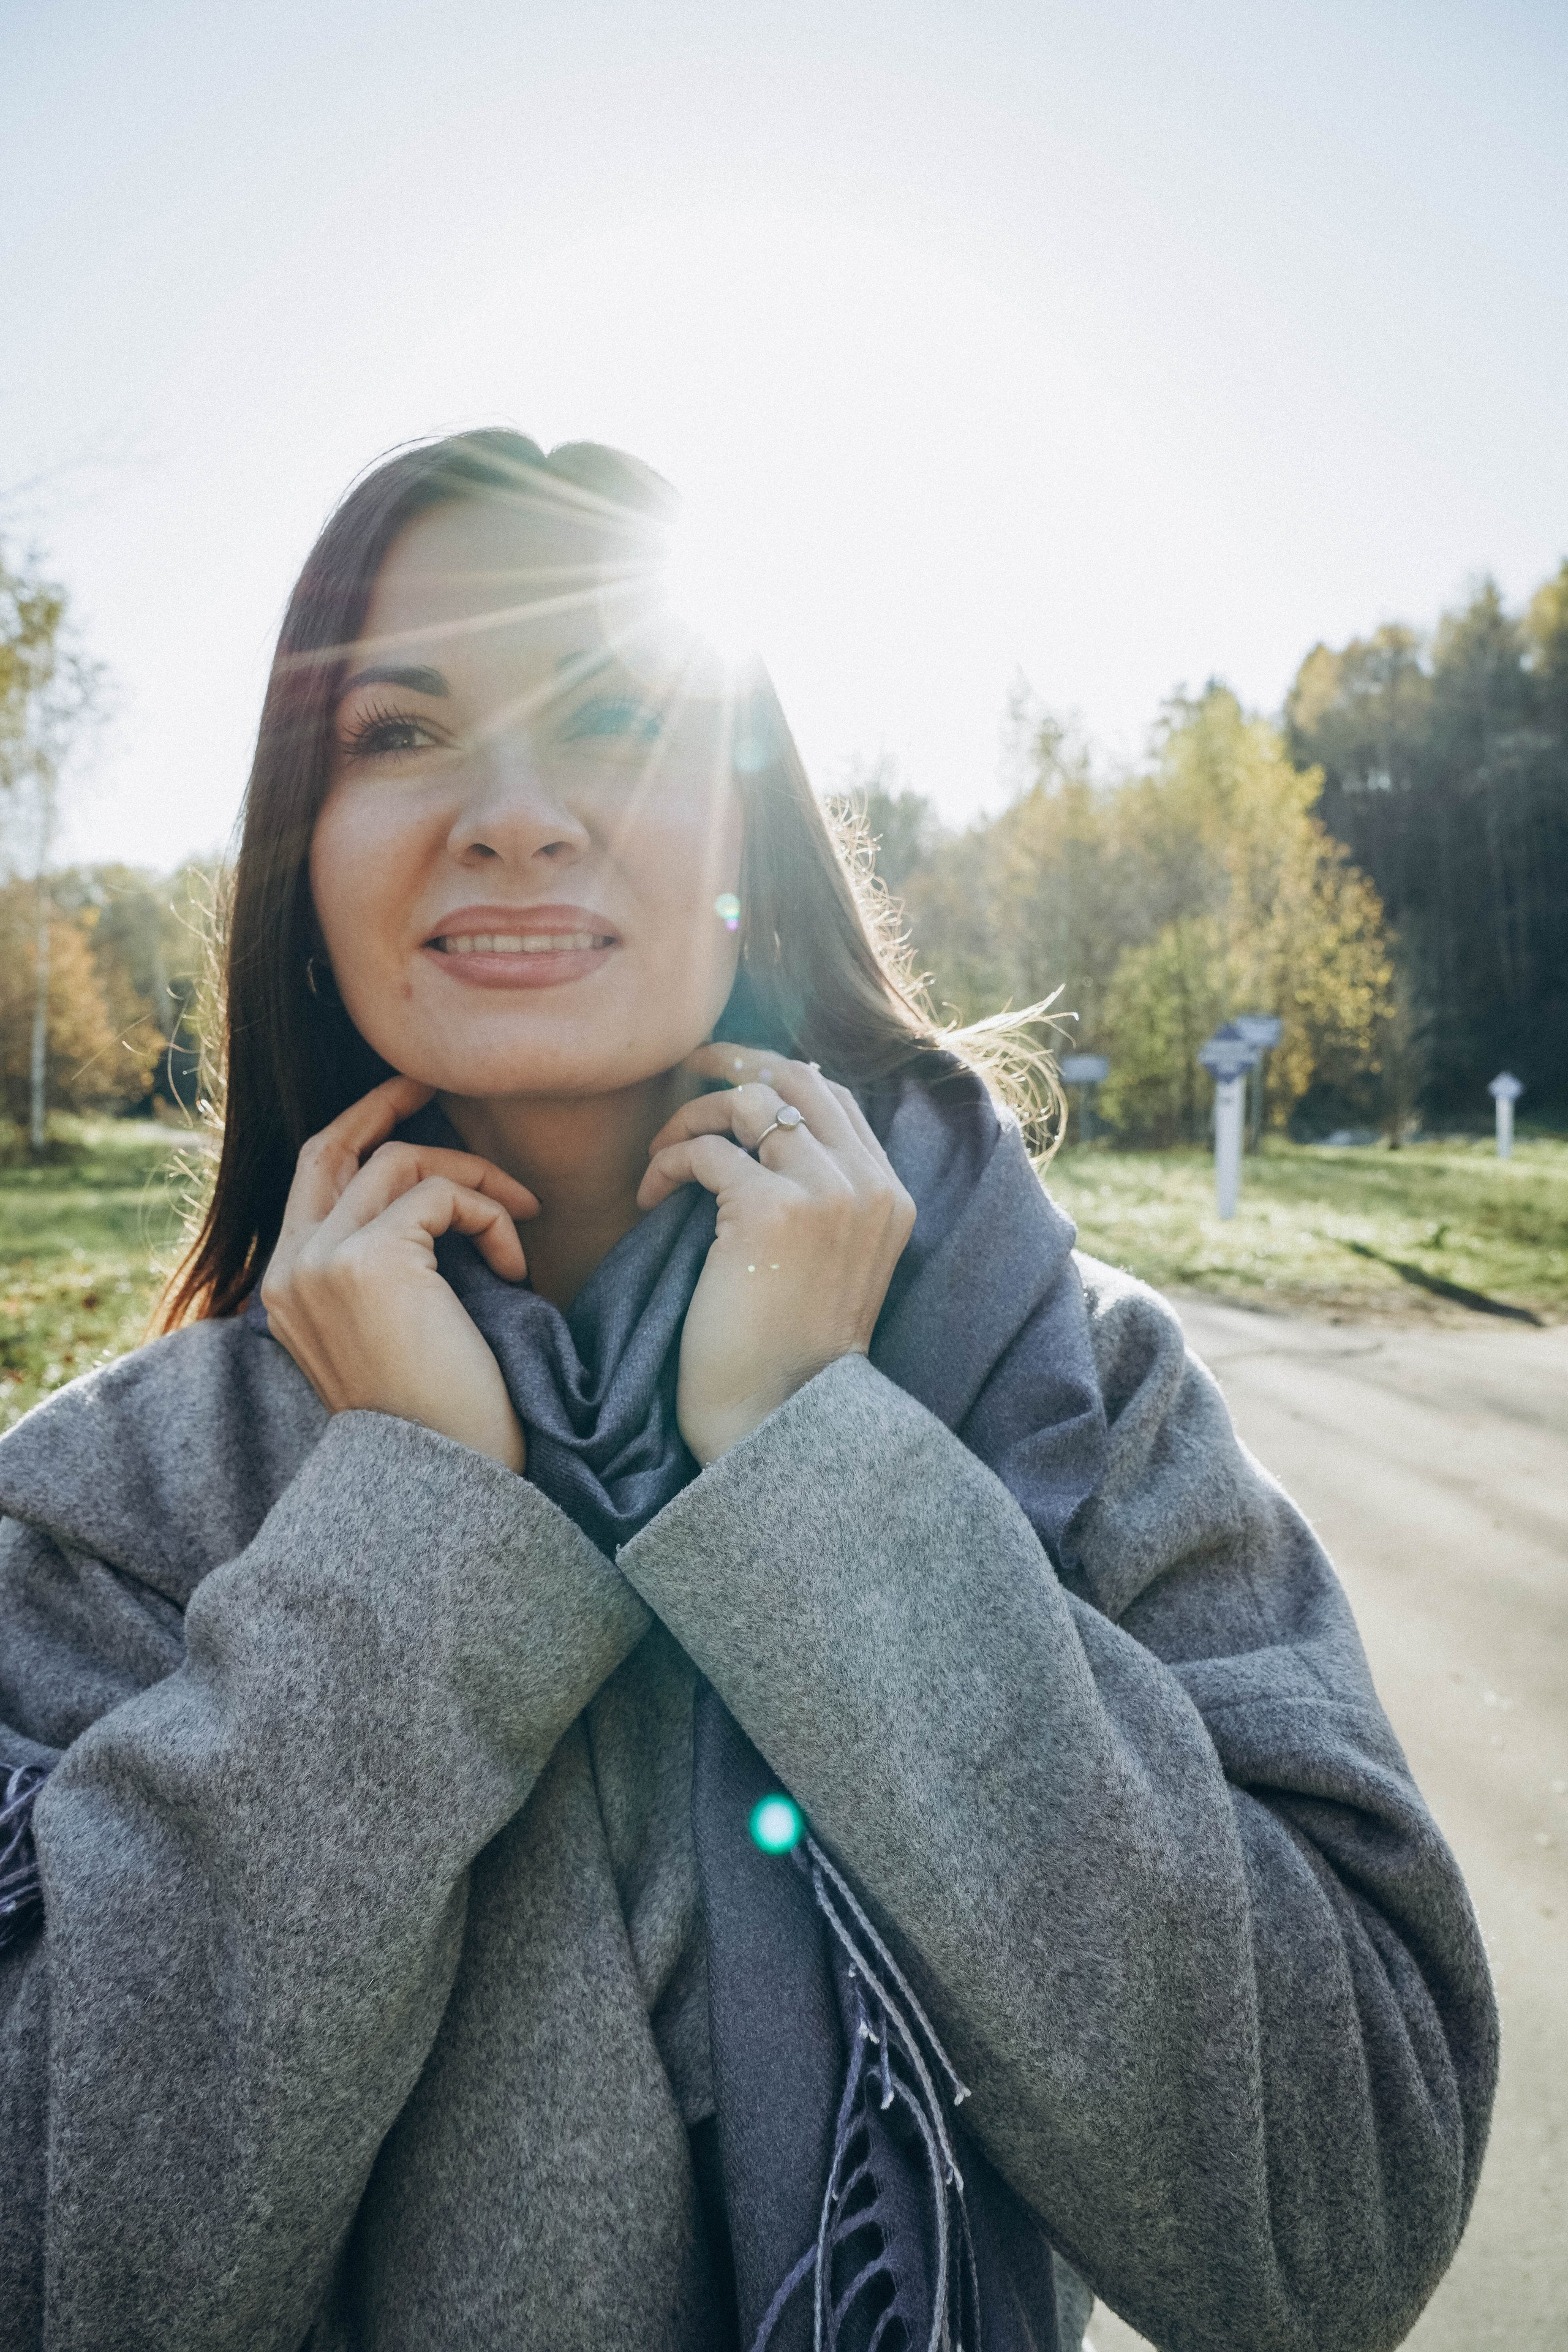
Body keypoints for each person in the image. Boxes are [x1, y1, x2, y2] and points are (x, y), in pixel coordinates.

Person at [0, 431, 1495, 2352]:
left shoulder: (1074, 1395)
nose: (518, 815)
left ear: (750, 845)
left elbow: (1343, 2215)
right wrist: (407, 1551)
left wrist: (820, 1476)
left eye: (620, 713)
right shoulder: (118, 1504)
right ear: (302, 862)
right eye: (399, 733)